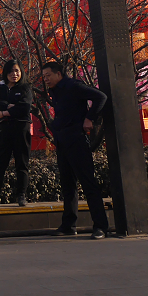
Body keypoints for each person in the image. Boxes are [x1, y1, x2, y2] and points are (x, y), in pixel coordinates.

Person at [41, 61, 109, 239]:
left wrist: (89, 118)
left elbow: (100, 97)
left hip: (77, 140)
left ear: (58, 74)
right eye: (44, 76)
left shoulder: (74, 86)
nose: (45, 79)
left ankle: (101, 226)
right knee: (67, 185)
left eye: (48, 75)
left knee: (88, 183)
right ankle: (68, 225)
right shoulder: (54, 91)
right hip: (62, 141)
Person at [0, 59, 34, 207]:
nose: (14, 74)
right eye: (11, 71)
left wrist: (4, 112)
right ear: (5, 73)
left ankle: (21, 195)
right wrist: (11, 107)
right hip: (4, 130)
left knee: (22, 163)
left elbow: (25, 108)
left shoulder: (25, 88)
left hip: (21, 129)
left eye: (17, 71)